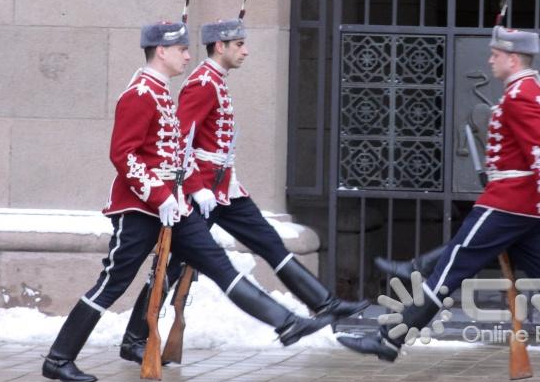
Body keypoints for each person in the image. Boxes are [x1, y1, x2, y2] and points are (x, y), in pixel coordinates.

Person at [42, 22, 330, 382]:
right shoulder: (140, 94)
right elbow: (123, 155)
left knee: (219, 264)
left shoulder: (161, 93)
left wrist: (186, 192)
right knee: (113, 283)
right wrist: (159, 195)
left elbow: (176, 152)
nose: (189, 56)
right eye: (181, 50)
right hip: (138, 209)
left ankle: (286, 323)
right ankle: (58, 357)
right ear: (161, 51)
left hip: (175, 207)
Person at [336, 27, 540, 382]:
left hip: (509, 203)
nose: (490, 59)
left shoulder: (522, 94)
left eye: (496, 54)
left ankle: (390, 339)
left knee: (450, 267)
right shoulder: (529, 90)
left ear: (512, 58)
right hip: (526, 207)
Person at [118, 18, 369, 364]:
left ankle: (324, 302)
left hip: (225, 189)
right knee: (171, 268)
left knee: (268, 241)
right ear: (219, 46)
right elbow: (179, 142)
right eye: (238, 44)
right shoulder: (202, 84)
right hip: (202, 193)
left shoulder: (216, 81)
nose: (245, 50)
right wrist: (193, 188)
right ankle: (134, 337)